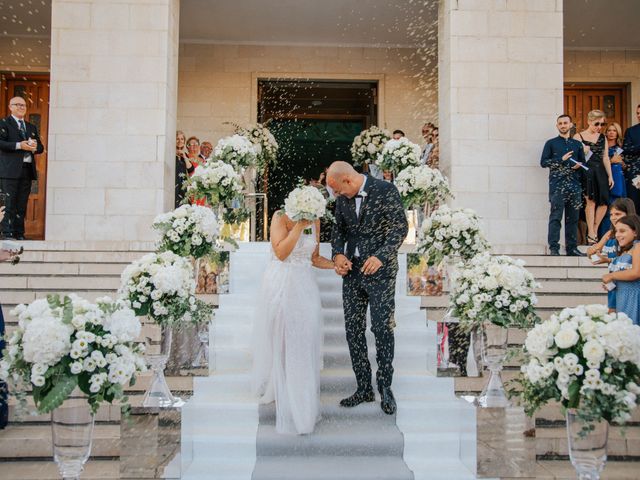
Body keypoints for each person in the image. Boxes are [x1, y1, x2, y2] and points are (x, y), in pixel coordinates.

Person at [327, 161, 408, 415]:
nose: (337, 196)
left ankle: (385, 387)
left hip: (381, 272)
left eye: (338, 190)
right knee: (353, 330)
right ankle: (363, 387)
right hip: (352, 273)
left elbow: (399, 228)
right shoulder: (342, 201)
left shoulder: (385, 190)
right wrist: (338, 255)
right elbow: (338, 231)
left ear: (348, 181)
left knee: (382, 328)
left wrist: (381, 256)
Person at [251, 206, 334, 435]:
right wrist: (298, 225)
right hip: (281, 283)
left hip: (305, 284)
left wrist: (335, 265)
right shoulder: (279, 217)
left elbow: (314, 257)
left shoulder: (316, 220)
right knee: (283, 341)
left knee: (304, 341)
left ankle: (301, 397)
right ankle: (286, 394)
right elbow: (281, 253)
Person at [541, 114, 586, 256]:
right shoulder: (551, 143)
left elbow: (583, 163)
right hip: (557, 186)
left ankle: (571, 248)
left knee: (573, 218)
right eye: (560, 123)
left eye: (565, 123)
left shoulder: (577, 144)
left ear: (571, 125)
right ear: (557, 126)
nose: (563, 125)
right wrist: (561, 159)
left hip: (574, 185)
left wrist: (579, 166)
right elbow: (543, 162)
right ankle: (554, 247)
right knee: (556, 217)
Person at [0, 96, 44, 240]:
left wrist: (35, 147)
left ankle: (19, 234)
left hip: (27, 170)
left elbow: (40, 148)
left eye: (23, 105)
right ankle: (7, 233)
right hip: (9, 171)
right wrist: (20, 145)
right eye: (17, 105)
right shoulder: (4, 123)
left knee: (21, 203)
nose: (21, 107)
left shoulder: (31, 127)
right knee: (9, 202)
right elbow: (1, 143)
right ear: (10, 107)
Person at [587, 198, 636, 312]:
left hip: (628, 284)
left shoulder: (631, 237)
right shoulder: (611, 235)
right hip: (613, 283)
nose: (613, 217)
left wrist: (609, 260)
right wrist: (602, 244)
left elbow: (630, 260)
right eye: (611, 214)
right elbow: (591, 253)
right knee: (613, 314)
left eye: (618, 214)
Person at [574, 109, 613, 244]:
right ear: (589, 121)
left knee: (604, 202)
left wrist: (610, 176)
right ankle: (590, 232)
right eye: (597, 124)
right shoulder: (578, 136)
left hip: (600, 171)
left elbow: (606, 157)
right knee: (590, 201)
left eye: (602, 124)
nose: (599, 127)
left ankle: (595, 229)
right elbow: (575, 157)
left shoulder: (603, 137)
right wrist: (582, 151)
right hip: (586, 171)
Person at [602, 214, 640, 325]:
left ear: (635, 232)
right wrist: (612, 283)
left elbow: (636, 272)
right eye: (616, 231)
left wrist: (611, 276)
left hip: (634, 298)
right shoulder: (623, 250)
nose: (618, 235)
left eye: (622, 231)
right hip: (622, 298)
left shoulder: (638, 246)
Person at [599, 122, 627, 236]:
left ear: (617, 133)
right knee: (607, 210)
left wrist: (623, 164)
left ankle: (618, 235)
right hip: (605, 179)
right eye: (609, 130)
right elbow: (596, 164)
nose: (611, 133)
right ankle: (604, 236)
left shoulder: (621, 148)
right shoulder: (601, 147)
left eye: (614, 130)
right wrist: (611, 161)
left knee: (619, 209)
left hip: (619, 180)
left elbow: (624, 166)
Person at [623, 104, 640, 213]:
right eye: (638, 113)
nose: (639, 115)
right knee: (635, 205)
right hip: (635, 174)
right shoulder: (631, 131)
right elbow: (626, 149)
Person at [175, 131, 194, 207]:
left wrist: (184, 156)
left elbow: (190, 169)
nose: (180, 141)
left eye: (182, 139)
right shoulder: (169, 153)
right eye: (177, 139)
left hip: (183, 185)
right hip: (174, 184)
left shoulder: (185, 154)